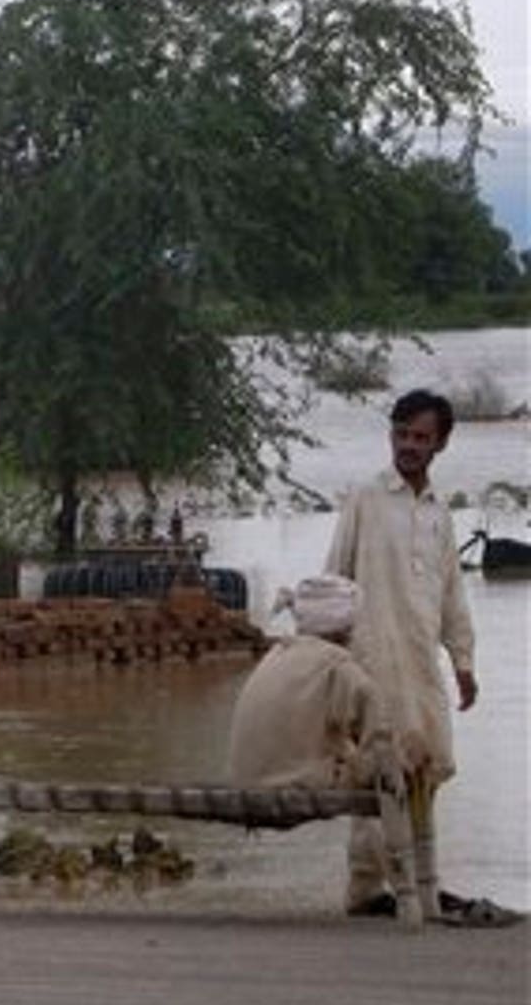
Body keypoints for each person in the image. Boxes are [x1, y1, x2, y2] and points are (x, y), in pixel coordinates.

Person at [324, 388, 477, 918]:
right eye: (401, 434)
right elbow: (334, 578)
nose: (408, 446)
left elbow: (452, 594)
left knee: (425, 768)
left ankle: (416, 878)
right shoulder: (365, 499)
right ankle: (367, 889)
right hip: (371, 662)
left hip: (421, 666)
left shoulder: (439, 513)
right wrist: (328, 658)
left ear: (440, 445)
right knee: (373, 773)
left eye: (420, 437)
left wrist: (463, 663)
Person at [227, 574, 379, 791]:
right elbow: (378, 733)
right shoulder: (338, 665)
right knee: (374, 764)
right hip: (291, 784)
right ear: (347, 629)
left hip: (244, 781)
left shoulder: (278, 652)